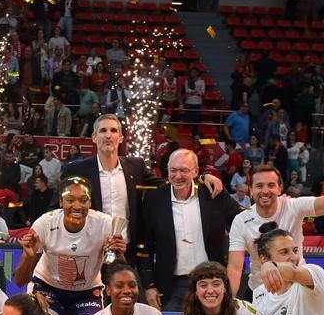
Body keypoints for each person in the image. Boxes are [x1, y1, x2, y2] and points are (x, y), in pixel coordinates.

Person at [63, 114, 220, 265]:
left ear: (121, 138)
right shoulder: (77, 170)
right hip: (87, 253)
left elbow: (169, 183)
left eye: (113, 130)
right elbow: (57, 208)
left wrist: (202, 177)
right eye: (103, 131)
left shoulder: (135, 166)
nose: (108, 135)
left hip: (127, 254)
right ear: (94, 137)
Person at [13, 177, 125, 315]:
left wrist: (119, 255)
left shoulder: (105, 224)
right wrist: (28, 256)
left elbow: (118, 269)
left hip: (86, 291)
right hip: (47, 287)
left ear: (90, 203)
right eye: (70, 200)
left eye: (84, 200)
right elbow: (20, 281)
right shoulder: (44, 223)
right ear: (61, 202)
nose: (77, 206)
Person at [227, 156, 324, 294]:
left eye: (271, 185)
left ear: (280, 189)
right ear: (251, 190)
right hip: (259, 292)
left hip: (295, 290)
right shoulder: (241, 220)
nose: (265, 191)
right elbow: (235, 268)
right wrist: (230, 303)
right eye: (259, 186)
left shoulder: (294, 206)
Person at [139, 149, 243, 311]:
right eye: (173, 170)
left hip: (212, 284)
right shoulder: (154, 199)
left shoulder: (213, 192)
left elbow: (242, 221)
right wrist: (149, 285)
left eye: (184, 170)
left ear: (195, 172)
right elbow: (144, 244)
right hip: (171, 287)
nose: (178, 176)